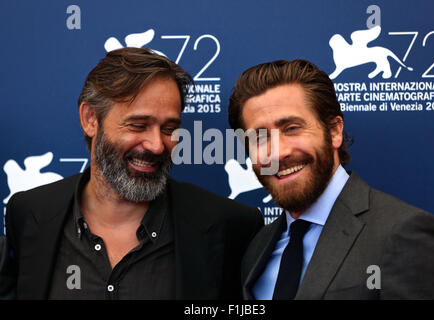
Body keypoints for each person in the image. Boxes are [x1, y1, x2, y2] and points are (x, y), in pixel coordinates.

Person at [2, 47, 263, 299]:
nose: (157, 145)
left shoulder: (228, 226)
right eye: (138, 125)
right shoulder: (29, 214)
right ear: (90, 119)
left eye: (169, 128)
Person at [228, 59, 434, 299]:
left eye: (292, 128)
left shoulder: (403, 234)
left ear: (334, 131)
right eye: (259, 137)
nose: (278, 153)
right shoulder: (257, 248)